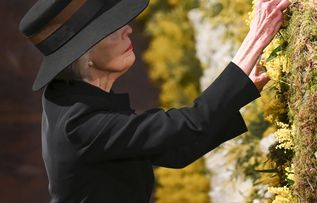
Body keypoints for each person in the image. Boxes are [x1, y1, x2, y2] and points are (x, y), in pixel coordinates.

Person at [19, 0, 289, 202]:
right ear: (82, 55)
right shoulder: (78, 124)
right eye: (110, 29)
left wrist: (240, 88)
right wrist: (257, 36)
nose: (126, 29)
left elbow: (173, 150)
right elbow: (189, 123)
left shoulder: (71, 96)